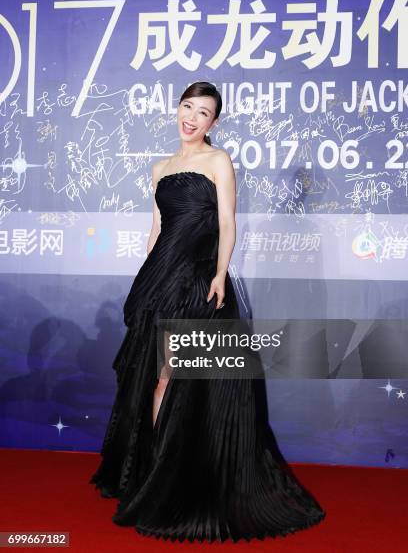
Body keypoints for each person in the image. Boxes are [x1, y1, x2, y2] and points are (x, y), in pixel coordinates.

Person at [89, 81, 326, 542]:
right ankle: (155, 468)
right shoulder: (159, 167)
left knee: (178, 376)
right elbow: (156, 230)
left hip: (198, 281)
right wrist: (144, 279)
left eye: (204, 112)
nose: (192, 117)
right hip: (158, 281)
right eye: (187, 107)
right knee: (155, 378)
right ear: (176, 110)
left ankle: (177, 474)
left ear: (213, 122)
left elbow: (226, 222)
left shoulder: (218, 161)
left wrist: (220, 275)